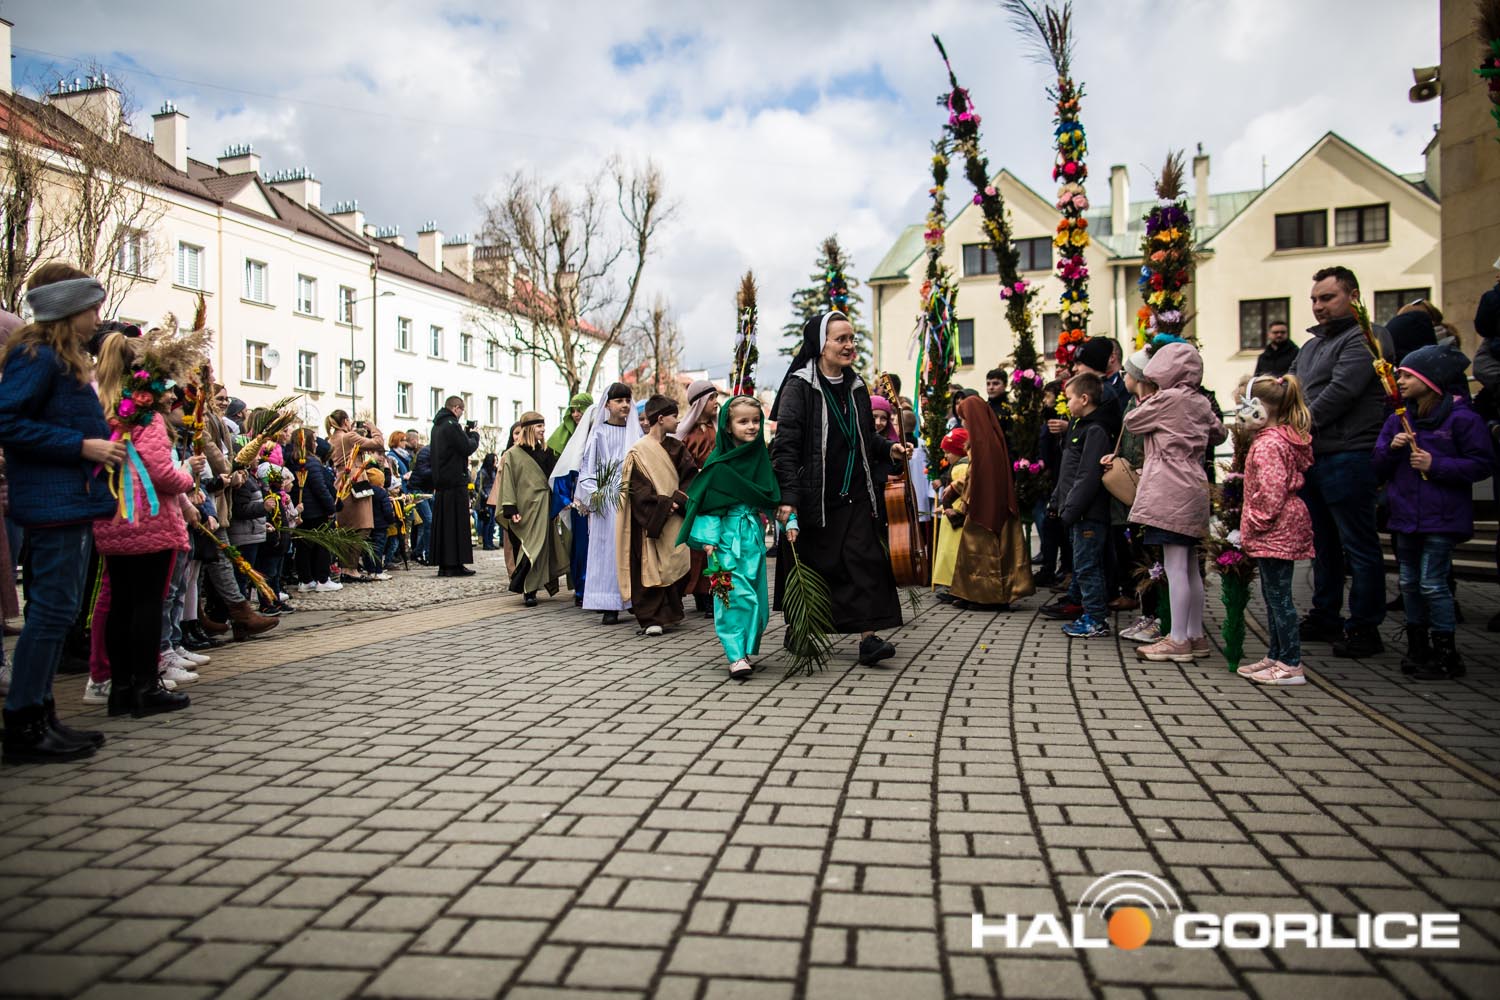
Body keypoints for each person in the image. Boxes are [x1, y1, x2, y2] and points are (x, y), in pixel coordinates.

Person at [0, 266, 126, 762]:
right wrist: (82, 446)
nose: (97, 317)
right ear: (68, 309)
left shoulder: (61, 358)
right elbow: (7, 420)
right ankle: (24, 722)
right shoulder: (38, 356)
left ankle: (41, 713)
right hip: (53, 500)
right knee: (51, 612)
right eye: (92, 308)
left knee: (58, 610)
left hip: (70, 499)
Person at [770, 311, 909, 665]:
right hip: (815, 498)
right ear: (821, 344)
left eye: (852, 339)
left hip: (856, 495)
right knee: (816, 566)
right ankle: (802, 627)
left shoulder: (857, 386)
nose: (849, 346)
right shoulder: (799, 387)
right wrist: (789, 497)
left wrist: (889, 449)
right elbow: (785, 447)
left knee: (866, 562)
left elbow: (865, 437)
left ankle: (869, 638)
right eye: (841, 339)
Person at [90, 328, 202, 719]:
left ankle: (120, 689)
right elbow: (160, 472)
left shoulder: (104, 409)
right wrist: (187, 476)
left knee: (120, 604)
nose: (171, 395)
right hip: (149, 521)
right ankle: (146, 686)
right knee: (147, 606)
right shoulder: (147, 417)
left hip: (112, 518)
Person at [1290, 266, 1395, 657]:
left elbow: (1342, 391)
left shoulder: (1367, 336)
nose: (1318, 306)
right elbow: (1291, 386)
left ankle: (1365, 626)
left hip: (1350, 454)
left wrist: (1297, 424)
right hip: (1313, 454)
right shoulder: (1311, 346)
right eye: (1314, 299)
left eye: (1327, 298)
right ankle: (1326, 615)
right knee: (1323, 545)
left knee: (1358, 545)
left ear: (1353, 296)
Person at [1374, 346, 1493, 681]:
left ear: (1431, 381)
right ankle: (1418, 646)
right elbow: (1377, 466)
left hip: (1441, 516)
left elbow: (1482, 464)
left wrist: (1435, 464)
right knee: (1409, 583)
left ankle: (1446, 651)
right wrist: (1391, 449)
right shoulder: (1398, 418)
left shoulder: (1463, 419)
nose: (1400, 381)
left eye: (1407, 376)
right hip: (1405, 515)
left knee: (1432, 583)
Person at [1124, 341, 1227, 663]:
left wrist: (1149, 399)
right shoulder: (1200, 401)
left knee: (1175, 566)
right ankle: (1195, 635)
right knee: (1192, 567)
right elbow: (1220, 433)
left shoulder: (1166, 399)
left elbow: (1132, 422)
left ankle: (1177, 639)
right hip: (1195, 484)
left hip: (1169, 487)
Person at [680, 396, 779, 680]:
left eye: (756, 421)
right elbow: (710, 503)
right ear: (727, 426)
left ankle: (744, 650)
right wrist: (709, 540)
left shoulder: (760, 458)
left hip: (753, 540)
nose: (751, 426)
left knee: (756, 599)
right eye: (743, 421)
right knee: (732, 595)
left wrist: (790, 520)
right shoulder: (719, 463)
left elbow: (772, 495)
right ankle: (735, 654)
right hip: (725, 541)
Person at [1237, 375, 1316, 686]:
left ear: (1258, 408)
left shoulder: (1269, 444)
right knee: (1273, 595)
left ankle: (1291, 663)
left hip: (1275, 527)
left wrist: (1256, 521)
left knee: (1280, 597)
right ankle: (1276, 654)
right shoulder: (1277, 439)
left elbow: (1271, 491)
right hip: (1280, 525)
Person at [618, 395, 699, 635]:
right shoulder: (638, 452)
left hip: (675, 518)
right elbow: (637, 489)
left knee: (675, 562)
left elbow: (690, 477)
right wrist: (663, 505)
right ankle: (651, 618)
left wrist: (678, 501)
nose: (678, 421)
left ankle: (671, 613)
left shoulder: (677, 447)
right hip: (650, 520)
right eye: (674, 416)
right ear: (661, 419)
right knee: (649, 567)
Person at [949, 395, 1034, 610]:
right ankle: (972, 593)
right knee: (974, 550)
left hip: (986, 504)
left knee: (984, 549)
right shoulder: (984, 440)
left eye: (965, 418)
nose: (963, 423)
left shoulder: (984, 443)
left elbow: (977, 477)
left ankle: (989, 597)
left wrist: (964, 502)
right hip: (986, 501)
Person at [1051, 374, 1113, 637]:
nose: (1067, 403)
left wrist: (1071, 510)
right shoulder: (1078, 427)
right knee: (1081, 564)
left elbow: (1088, 475)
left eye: (1069, 398)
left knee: (1088, 566)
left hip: (1088, 512)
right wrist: (1057, 499)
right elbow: (1068, 471)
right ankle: (1087, 611)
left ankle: (1096, 619)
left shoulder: (1095, 430)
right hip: (1076, 511)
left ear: (1084, 399)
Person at [574, 385, 640, 624]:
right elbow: (587, 468)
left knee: (630, 548)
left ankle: (630, 598)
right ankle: (608, 603)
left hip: (631, 496)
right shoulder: (599, 433)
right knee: (607, 551)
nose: (624, 405)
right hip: (607, 500)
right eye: (619, 400)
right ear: (608, 405)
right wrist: (597, 494)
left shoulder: (636, 433)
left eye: (627, 400)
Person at [500, 413, 567, 603]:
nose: (543, 430)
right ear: (529, 429)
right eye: (539, 426)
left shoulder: (547, 452)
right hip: (525, 508)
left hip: (544, 506)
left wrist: (560, 501)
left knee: (542, 548)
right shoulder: (512, 454)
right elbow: (508, 482)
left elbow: (555, 479)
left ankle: (530, 589)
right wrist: (511, 509)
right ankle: (523, 585)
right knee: (530, 547)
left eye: (543, 426)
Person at [676, 379, 720, 616]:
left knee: (713, 544)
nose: (716, 402)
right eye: (711, 398)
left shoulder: (719, 430)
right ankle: (699, 593)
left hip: (717, 493)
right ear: (700, 402)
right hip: (695, 494)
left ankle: (712, 592)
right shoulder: (684, 434)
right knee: (696, 546)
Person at [550, 402, 598, 604]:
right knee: (582, 548)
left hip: (606, 505)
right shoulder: (577, 447)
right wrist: (567, 501)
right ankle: (583, 589)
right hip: (582, 507)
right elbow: (563, 475)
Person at [328, 410, 384, 581]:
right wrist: (373, 428)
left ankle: (346, 566)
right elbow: (378, 444)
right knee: (362, 525)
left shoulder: (333, 438)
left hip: (341, 480)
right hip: (355, 479)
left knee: (347, 527)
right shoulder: (348, 437)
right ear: (345, 421)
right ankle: (350, 568)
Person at [429, 396, 480, 577]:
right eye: (462, 411)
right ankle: (454, 563)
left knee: (445, 526)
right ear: (456, 408)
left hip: (442, 483)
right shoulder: (451, 425)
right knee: (456, 525)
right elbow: (466, 447)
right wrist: (474, 435)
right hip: (455, 481)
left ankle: (446, 564)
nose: (461, 415)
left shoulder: (437, 426)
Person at [931, 428, 970, 598]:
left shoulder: (960, 468)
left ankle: (955, 587)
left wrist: (949, 508)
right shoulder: (961, 465)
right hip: (952, 514)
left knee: (953, 553)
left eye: (948, 452)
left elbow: (962, 493)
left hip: (955, 517)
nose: (946, 456)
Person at [474, 453, 499, 551]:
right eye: (495, 460)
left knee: (492, 522)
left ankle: (490, 542)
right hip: (486, 501)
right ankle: (486, 543)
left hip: (493, 499)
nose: (496, 462)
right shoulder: (483, 472)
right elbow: (478, 486)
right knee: (487, 521)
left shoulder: (494, 471)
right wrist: (485, 496)